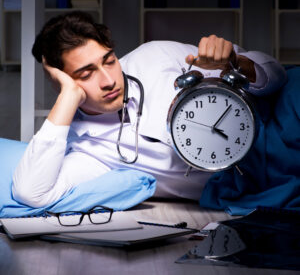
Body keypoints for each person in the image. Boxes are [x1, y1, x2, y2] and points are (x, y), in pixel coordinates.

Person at [12, 11, 286, 208]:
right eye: (85, 74)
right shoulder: (89, 151)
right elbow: (31, 192)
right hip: (259, 182)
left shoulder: (154, 56)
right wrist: (67, 96)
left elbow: (276, 72)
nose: (108, 81)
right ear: (61, 80)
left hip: (278, 125)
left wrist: (235, 62)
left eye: (108, 61)